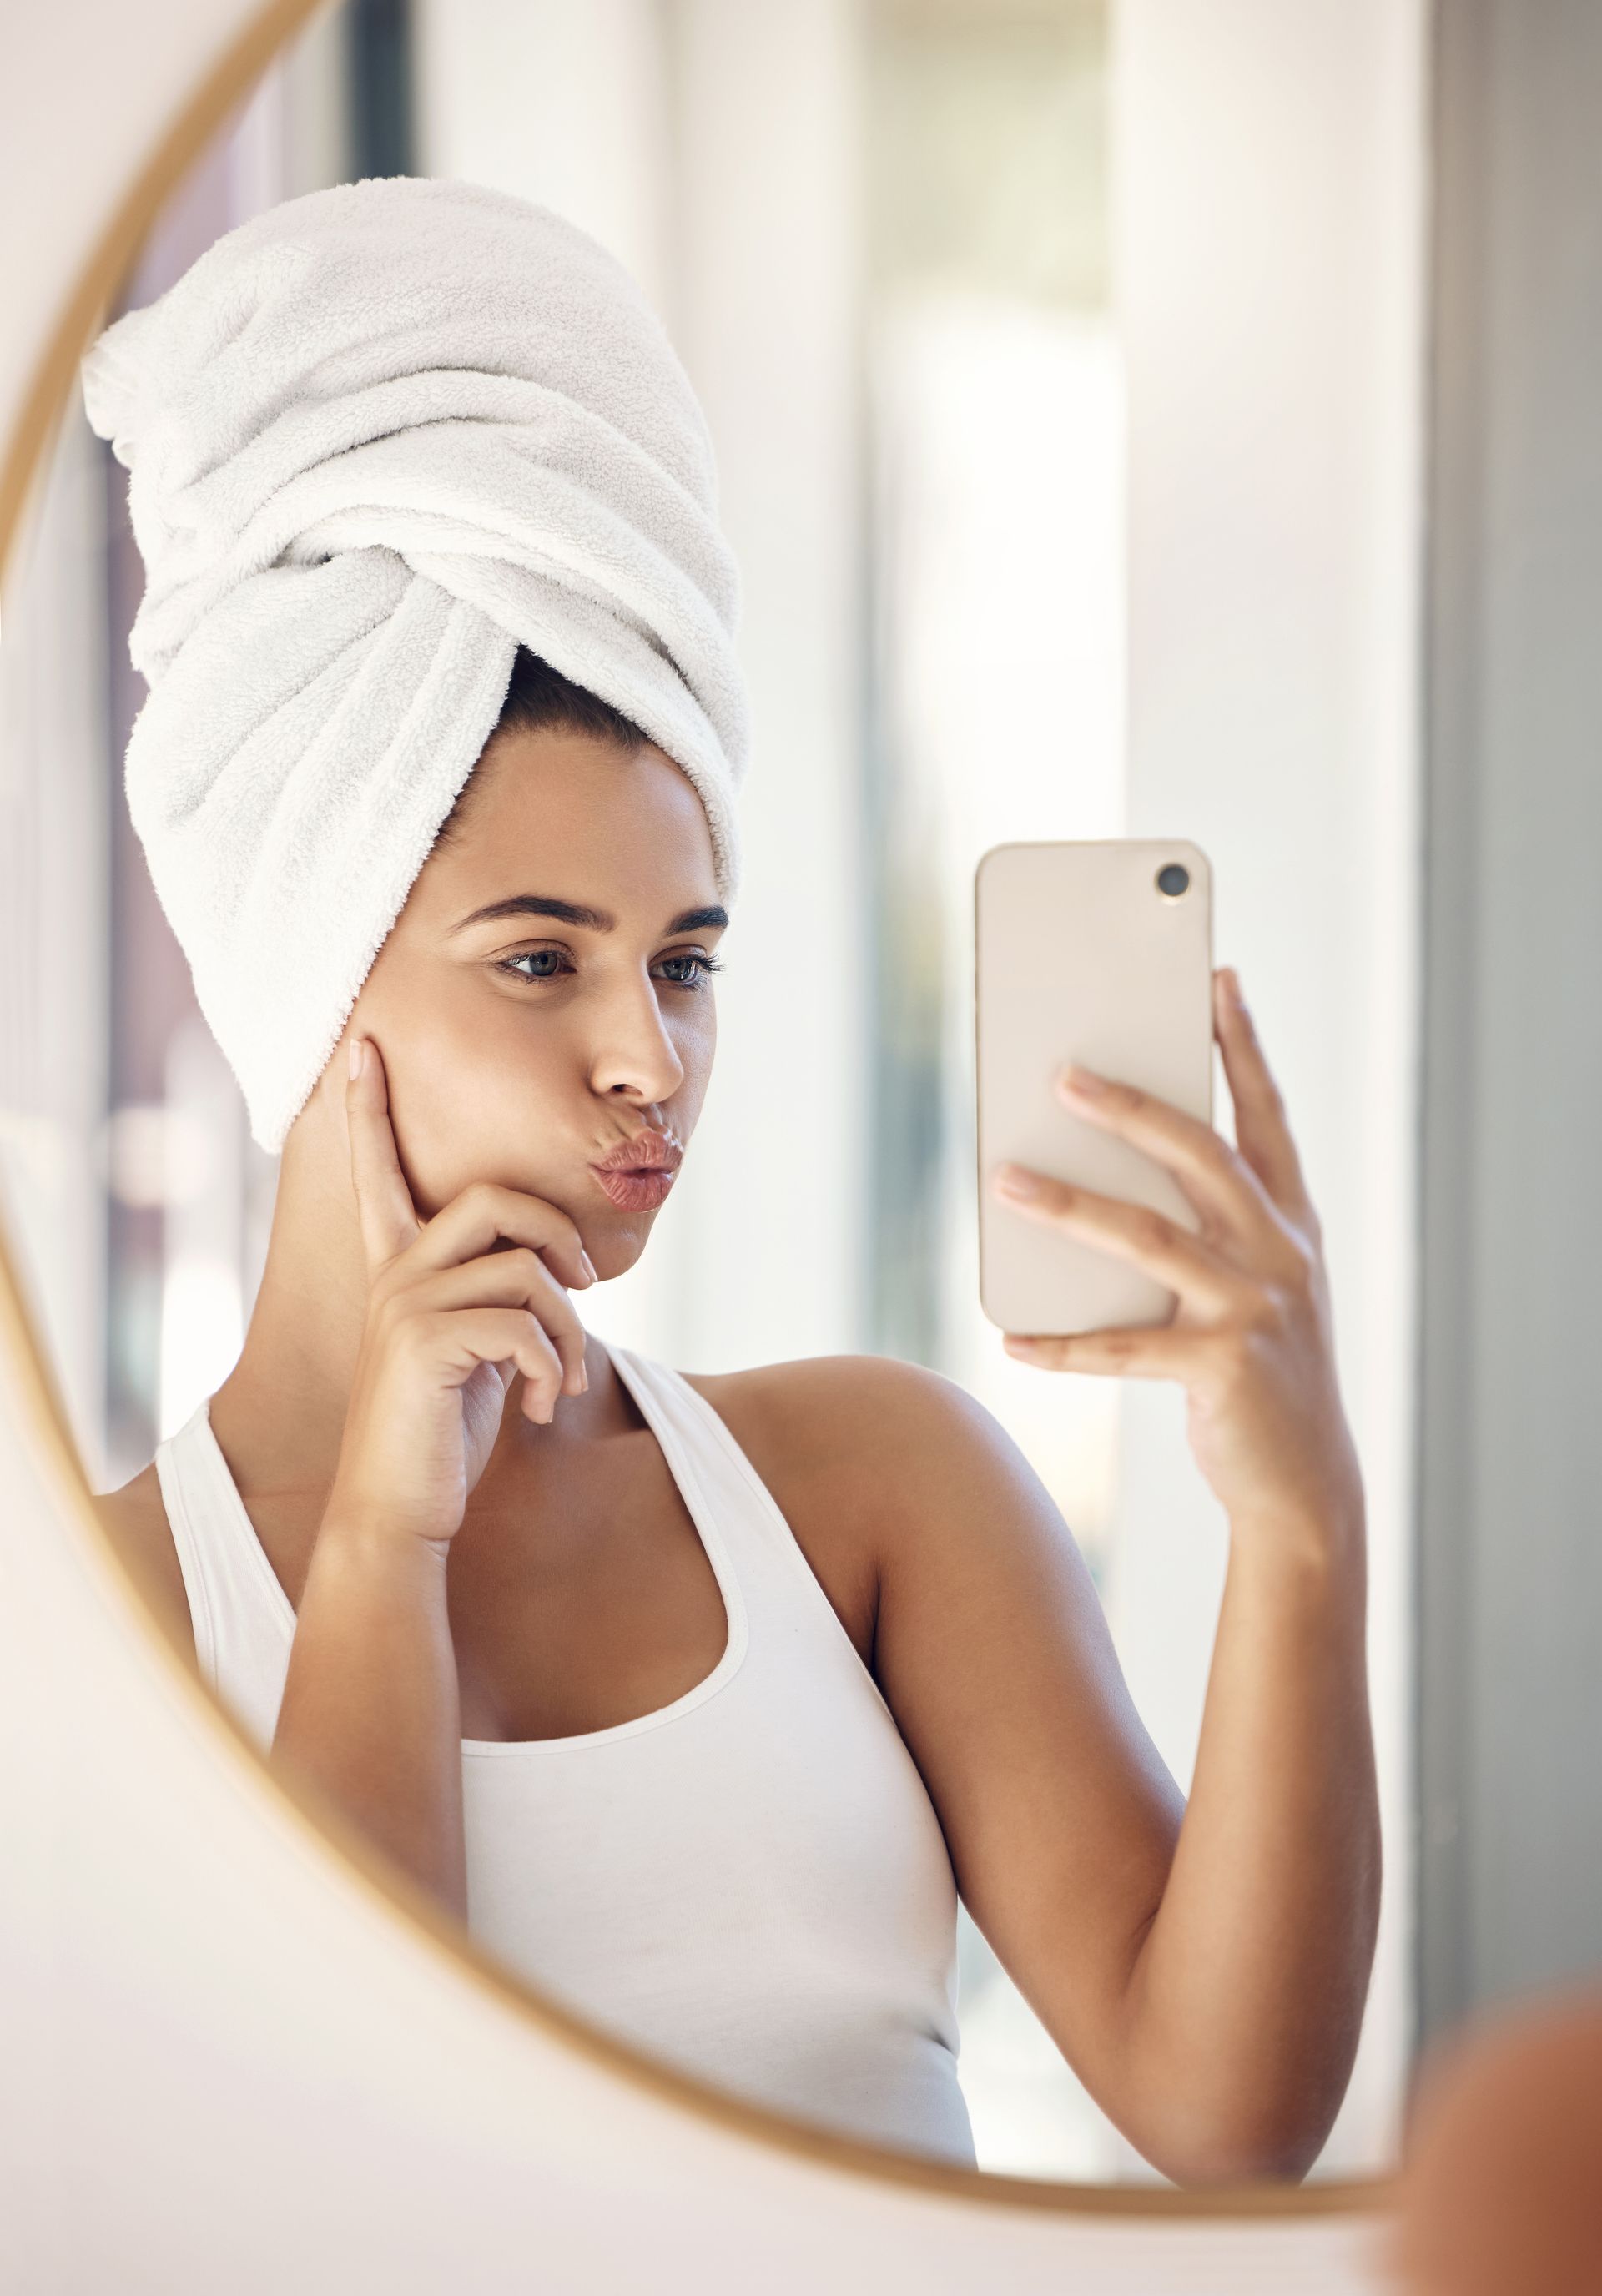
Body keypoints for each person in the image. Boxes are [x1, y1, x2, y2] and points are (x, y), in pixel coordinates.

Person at [88, 179, 1378, 2180]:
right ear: (302, 976)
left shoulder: (876, 1492)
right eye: (543, 959)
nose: (652, 1054)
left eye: (685, 958)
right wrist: (380, 1552)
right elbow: (336, 2185)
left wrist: (1302, 1528)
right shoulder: (103, 1622)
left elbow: (1231, 2118)